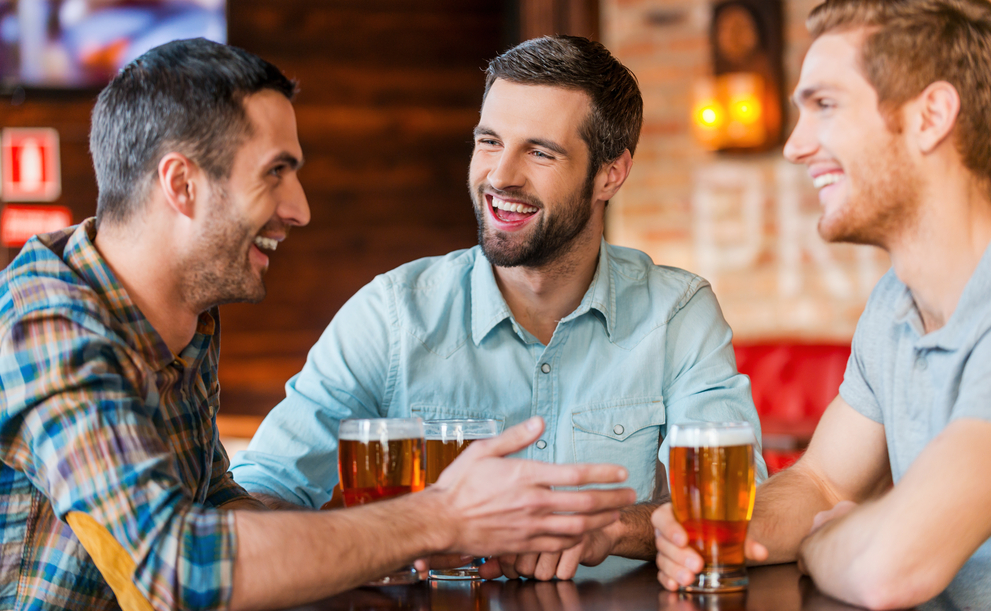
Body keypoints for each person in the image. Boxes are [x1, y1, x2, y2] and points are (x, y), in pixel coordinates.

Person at [0, 38, 638, 611]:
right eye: (276, 172)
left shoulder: (179, 320)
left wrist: (378, 536)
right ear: (182, 184)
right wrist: (440, 516)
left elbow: (221, 514)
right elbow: (177, 571)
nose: (299, 209)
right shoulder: (46, 321)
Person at [230, 35, 767, 581]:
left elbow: (737, 509)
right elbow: (258, 496)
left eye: (540, 151)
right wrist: (407, 529)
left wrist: (608, 529)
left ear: (611, 173)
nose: (500, 176)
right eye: (489, 141)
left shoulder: (677, 312)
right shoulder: (391, 315)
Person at [653, 0, 991, 609]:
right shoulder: (895, 306)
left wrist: (820, 546)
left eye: (825, 105)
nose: (795, 144)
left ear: (931, 116)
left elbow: (895, 567)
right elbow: (823, 479)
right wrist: (722, 534)